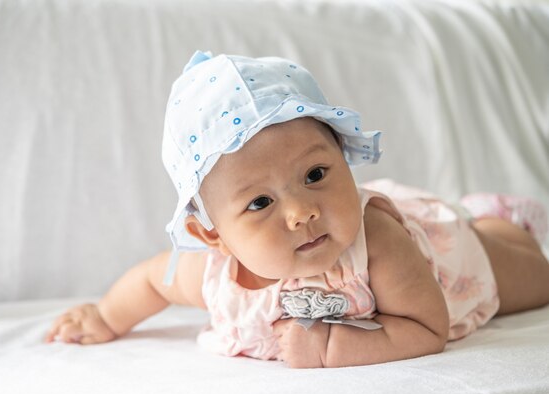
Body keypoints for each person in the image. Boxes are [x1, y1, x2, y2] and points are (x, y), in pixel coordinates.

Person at [46, 51, 549, 368]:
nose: (301, 213)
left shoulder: (377, 241)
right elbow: (154, 280)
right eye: (260, 202)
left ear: (344, 163)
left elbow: (428, 327)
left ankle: (496, 223)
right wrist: (107, 316)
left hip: (450, 258)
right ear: (213, 236)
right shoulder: (213, 274)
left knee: (532, 277)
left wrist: (332, 349)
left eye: (315, 176)